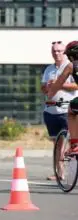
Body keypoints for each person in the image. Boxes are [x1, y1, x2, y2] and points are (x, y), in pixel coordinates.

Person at [41, 41, 78, 180]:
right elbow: (44, 88)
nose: (56, 53)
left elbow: (67, 84)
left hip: (66, 107)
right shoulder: (49, 69)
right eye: (54, 51)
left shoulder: (69, 66)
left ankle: (74, 148)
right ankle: (60, 171)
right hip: (51, 110)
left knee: (71, 114)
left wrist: (56, 88)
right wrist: (47, 88)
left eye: (60, 51)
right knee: (58, 143)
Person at [48, 40, 78, 155]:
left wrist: (51, 94)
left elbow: (58, 83)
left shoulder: (71, 66)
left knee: (71, 111)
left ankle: (75, 144)